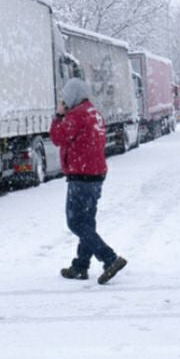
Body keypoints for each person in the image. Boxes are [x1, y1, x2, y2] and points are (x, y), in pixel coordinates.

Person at [49, 78, 127, 285]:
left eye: (65, 98)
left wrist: (58, 116)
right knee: (87, 222)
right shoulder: (94, 113)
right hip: (96, 174)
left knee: (75, 222)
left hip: (81, 176)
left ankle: (109, 258)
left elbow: (57, 138)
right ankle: (80, 266)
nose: (63, 102)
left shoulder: (76, 116)